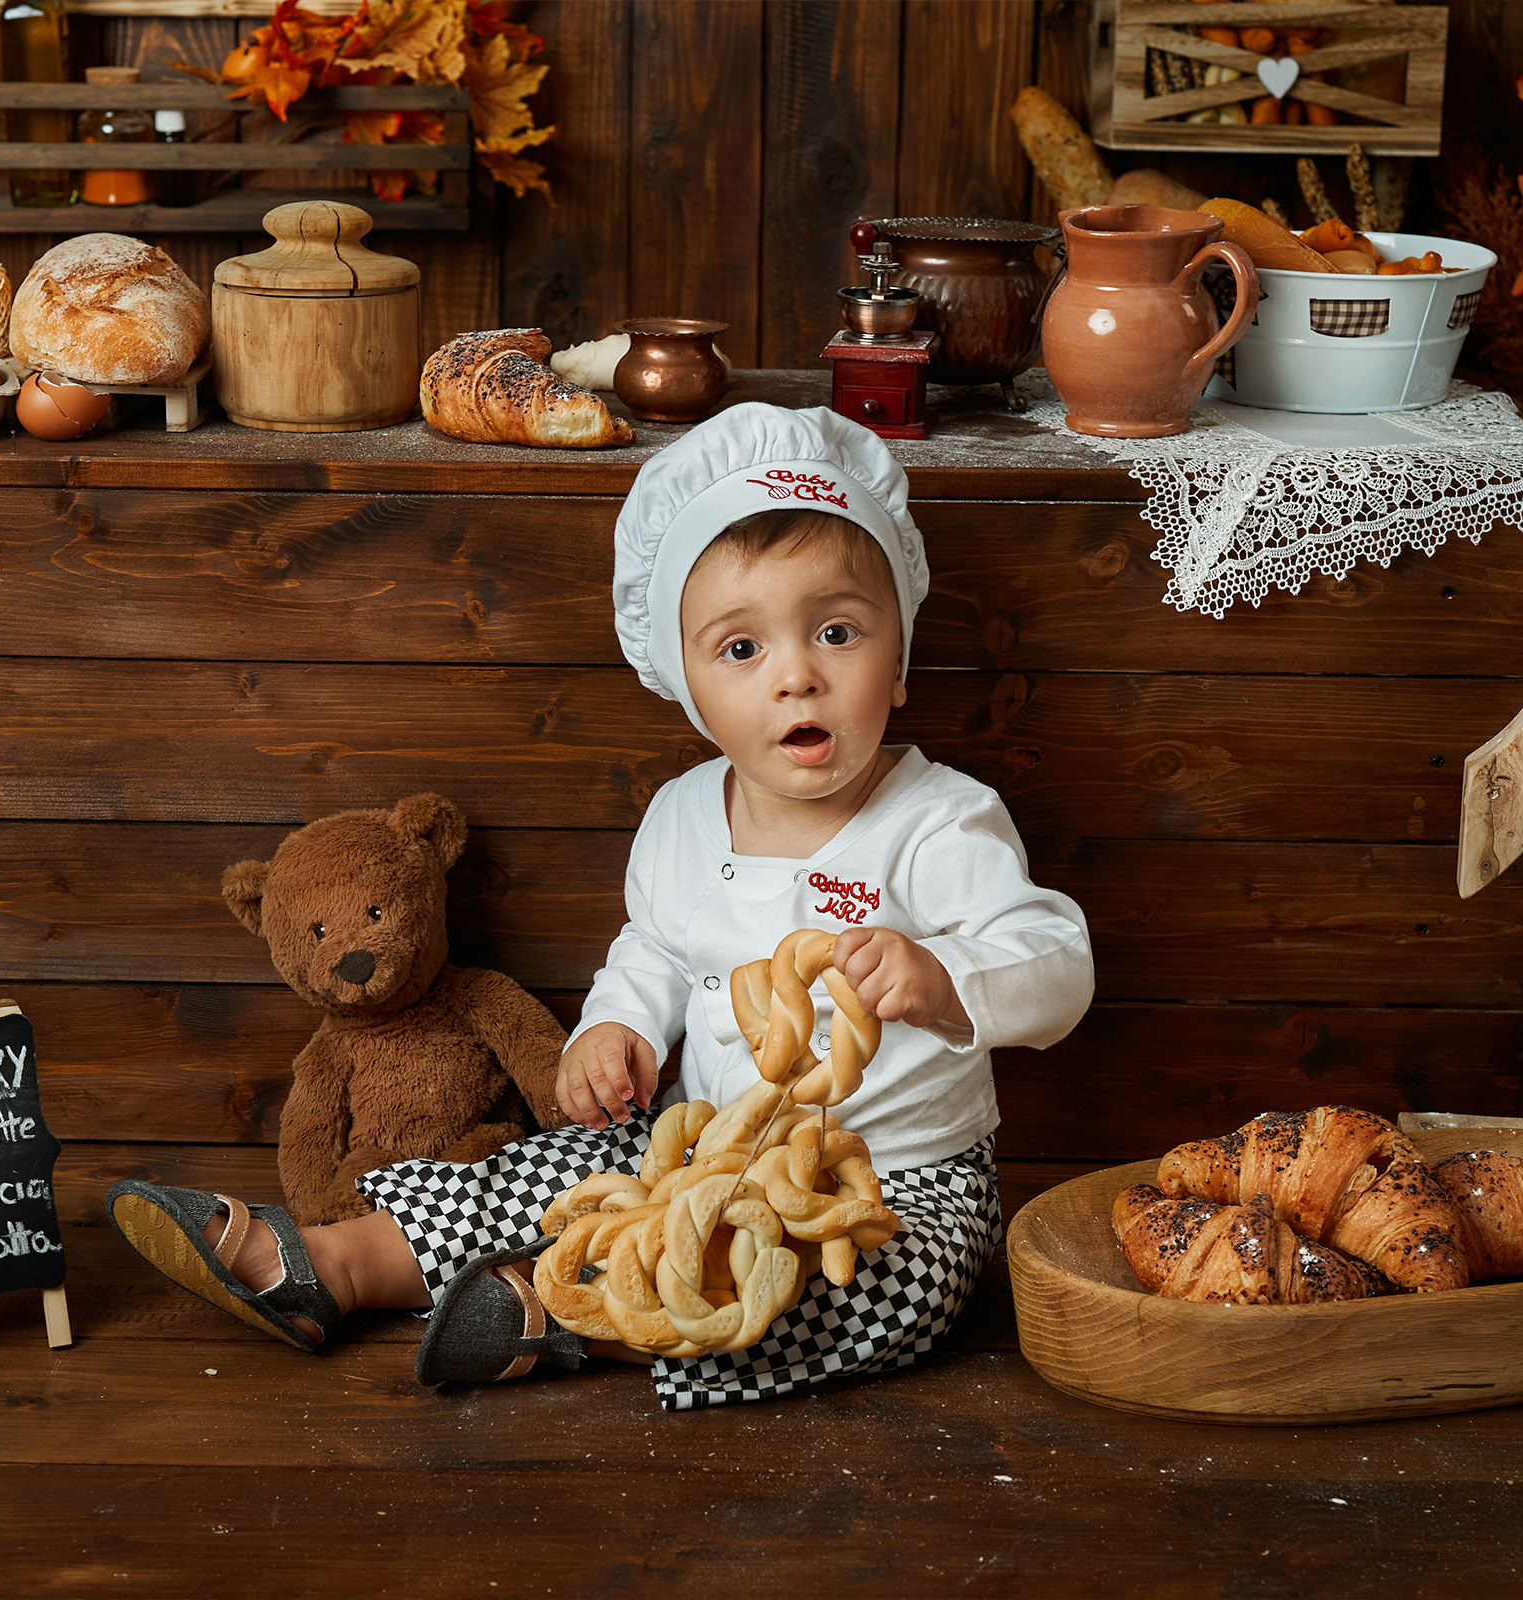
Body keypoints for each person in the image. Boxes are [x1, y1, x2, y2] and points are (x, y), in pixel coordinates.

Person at [109, 404, 1095, 1409]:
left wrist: (943, 978)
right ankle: (333, 1265)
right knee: (550, 1171)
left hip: (896, 1178)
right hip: (697, 1136)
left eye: (837, 632)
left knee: (869, 1287)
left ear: (899, 661)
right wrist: (617, 1027)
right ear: (690, 691)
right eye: (742, 649)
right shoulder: (679, 817)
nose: (798, 672)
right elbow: (656, 952)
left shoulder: (939, 821)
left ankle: (560, 1317)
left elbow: (1056, 965)